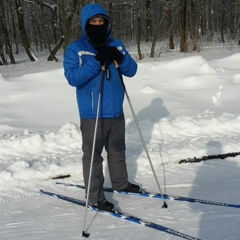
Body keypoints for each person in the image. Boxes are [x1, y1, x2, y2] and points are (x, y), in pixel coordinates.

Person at [63, 3, 140, 212]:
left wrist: (120, 57)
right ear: (85, 24)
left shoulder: (116, 44)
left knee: (117, 150)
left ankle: (121, 183)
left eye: (101, 21)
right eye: (93, 21)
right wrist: (96, 61)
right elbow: (72, 78)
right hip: (92, 113)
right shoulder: (77, 49)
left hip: (116, 111)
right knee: (93, 156)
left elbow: (132, 70)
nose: (98, 24)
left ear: (107, 23)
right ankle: (95, 197)